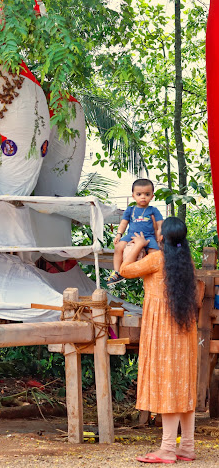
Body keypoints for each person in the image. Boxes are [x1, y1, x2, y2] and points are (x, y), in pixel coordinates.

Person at [119, 217, 198, 464]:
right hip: (184, 329)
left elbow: (124, 270)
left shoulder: (155, 260)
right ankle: (186, 446)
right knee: (182, 385)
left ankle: (166, 449)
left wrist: (136, 245)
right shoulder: (187, 262)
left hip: (163, 328)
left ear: (162, 237)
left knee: (168, 385)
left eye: (158, 230)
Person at [106, 178, 163, 286]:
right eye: (139, 194)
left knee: (155, 253)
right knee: (118, 247)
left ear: (152, 196)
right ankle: (117, 272)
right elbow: (123, 223)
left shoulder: (153, 210)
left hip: (148, 236)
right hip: (131, 236)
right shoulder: (130, 209)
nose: (143, 197)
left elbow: (160, 223)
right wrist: (119, 234)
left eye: (147, 194)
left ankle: (153, 275)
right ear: (133, 196)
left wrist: (160, 233)